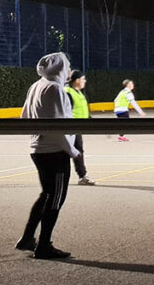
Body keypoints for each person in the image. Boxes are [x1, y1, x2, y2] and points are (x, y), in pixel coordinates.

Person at [16, 52, 80, 260]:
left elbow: (24, 116)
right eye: (67, 66)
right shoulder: (55, 89)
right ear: (60, 68)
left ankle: (27, 237)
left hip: (38, 149)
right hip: (55, 151)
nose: (69, 71)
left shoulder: (36, 86)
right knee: (56, 199)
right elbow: (59, 125)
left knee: (46, 194)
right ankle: (44, 245)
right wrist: (72, 150)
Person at [64, 70, 97, 185]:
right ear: (77, 80)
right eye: (83, 79)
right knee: (70, 152)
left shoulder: (78, 92)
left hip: (77, 128)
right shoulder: (68, 92)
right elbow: (65, 111)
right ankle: (82, 176)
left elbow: (82, 110)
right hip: (70, 128)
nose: (85, 81)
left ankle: (82, 176)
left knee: (76, 151)